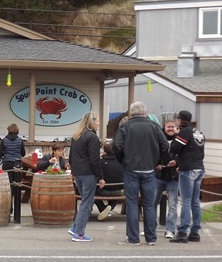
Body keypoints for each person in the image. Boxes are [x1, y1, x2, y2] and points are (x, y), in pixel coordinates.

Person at [113, 101, 169, 246]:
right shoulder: (154, 126)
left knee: (132, 203)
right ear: (145, 112)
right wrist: (157, 161)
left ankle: (133, 238)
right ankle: (151, 238)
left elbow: (116, 146)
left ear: (130, 113)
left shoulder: (125, 126)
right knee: (149, 204)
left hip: (130, 169)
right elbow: (165, 145)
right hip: (149, 169)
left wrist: (123, 160)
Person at [169, 110, 205, 243]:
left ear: (181, 120)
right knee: (195, 201)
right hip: (199, 168)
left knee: (185, 201)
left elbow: (174, 148)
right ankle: (195, 232)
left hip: (188, 170)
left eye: (177, 119)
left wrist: (176, 135)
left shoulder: (185, 132)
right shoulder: (198, 132)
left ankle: (182, 232)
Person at [69, 112, 105, 242]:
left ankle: (75, 227)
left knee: (85, 201)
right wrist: (100, 176)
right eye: (97, 121)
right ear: (92, 122)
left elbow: (71, 157)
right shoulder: (93, 137)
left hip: (78, 173)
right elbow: (95, 160)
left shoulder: (76, 136)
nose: (99, 123)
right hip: (88, 173)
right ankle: (79, 233)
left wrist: (74, 172)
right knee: (87, 202)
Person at [154, 120, 180, 239]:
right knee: (152, 203)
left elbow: (184, 155)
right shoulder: (158, 139)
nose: (170, 129)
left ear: (175, 128)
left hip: (173, 177)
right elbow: (153, 153)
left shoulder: (179, 140)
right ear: (164, 127)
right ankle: (151, 228)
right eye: (168, 127)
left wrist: (177, 162)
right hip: (159, 176)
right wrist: (156, 164)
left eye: (172, 127)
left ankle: (170, 230)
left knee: (173, 205)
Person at [0, 123, 26, 209]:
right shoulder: (20, 140)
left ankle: (9, 205)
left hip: (7, 163)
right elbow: (23, 153)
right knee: (17, 185)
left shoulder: (4, 140)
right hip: (17, 164)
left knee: (8, 184)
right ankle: (17, 207)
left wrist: (5, 154)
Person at [95, 140, 124, 221]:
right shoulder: (121, 162)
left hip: (103, 190)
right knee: (119, 191)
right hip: (119, 190)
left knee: (91, 192)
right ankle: (110, 206)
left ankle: (103, 209)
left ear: (104, 152)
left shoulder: (100, 162)